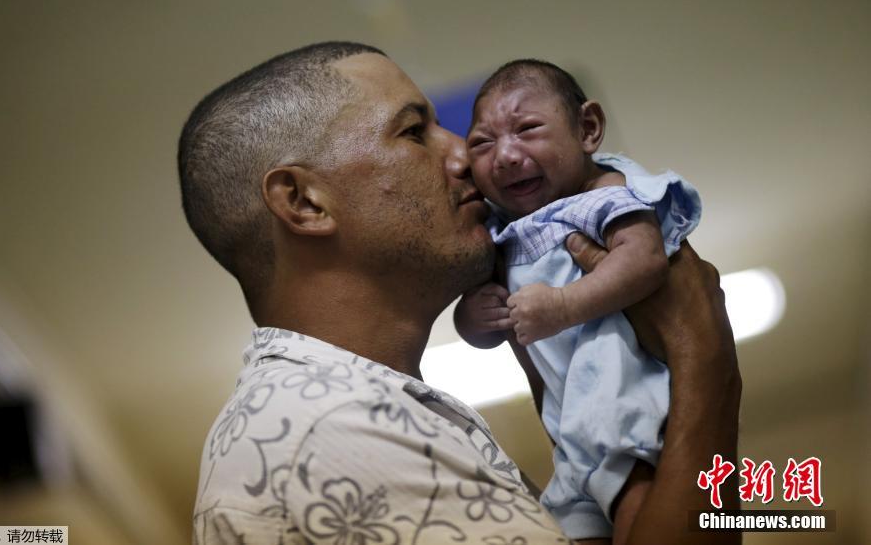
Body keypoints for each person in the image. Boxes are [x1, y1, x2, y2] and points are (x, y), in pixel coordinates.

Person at [178, 41, 741, 545]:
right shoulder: (330, 428)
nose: (464, 156)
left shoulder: (344, 413)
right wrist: (703, 360)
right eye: (414, 131)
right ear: (304, 201)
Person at [455, 59, 701, 540]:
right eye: (482, 143)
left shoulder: (602, 194)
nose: (504, 155)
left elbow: (644, 260)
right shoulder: (497, 230)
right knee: (573, 525)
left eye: (527, 129)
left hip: (622, 402)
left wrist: (565, 306)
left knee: (638, 508)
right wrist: (473, 317)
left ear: (588, 129)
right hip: (570, 431)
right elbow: (483, 335)